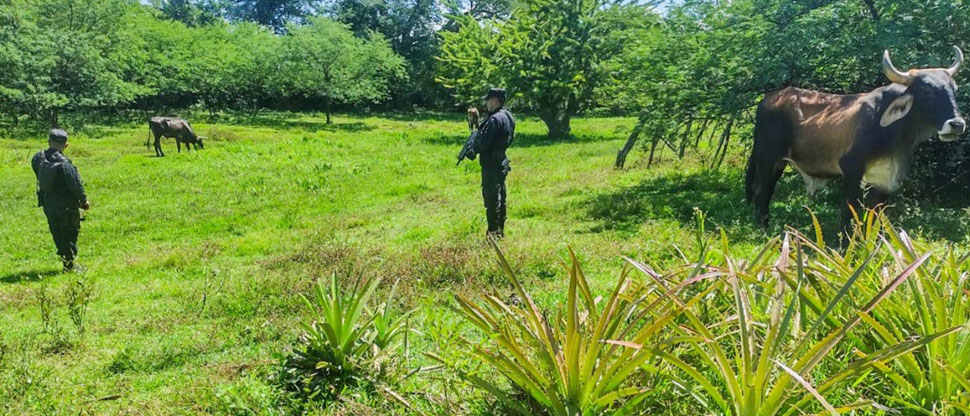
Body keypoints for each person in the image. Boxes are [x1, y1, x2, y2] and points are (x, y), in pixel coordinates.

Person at [31, 129, 90, 272]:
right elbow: (75, 183)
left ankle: (65, 260)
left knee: (57, 232)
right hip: (66, 205)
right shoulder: (65, 163)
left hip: (48, 203)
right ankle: (69, 266)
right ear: (66, 145)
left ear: (48, 142)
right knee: (69, 233)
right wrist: (84, 200)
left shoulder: (39, 158)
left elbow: (36, 170)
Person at [474, 88, 515, 239]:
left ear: (495, 100)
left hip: (491, 162)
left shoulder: (494, 119)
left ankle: (492, 234)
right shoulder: (508, 116)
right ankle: (500, 231)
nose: (486, 103)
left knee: (491, 199)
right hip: (502, 160)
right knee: (501, 197)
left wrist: (474, 148)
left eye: (488, 100)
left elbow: (484, 144)